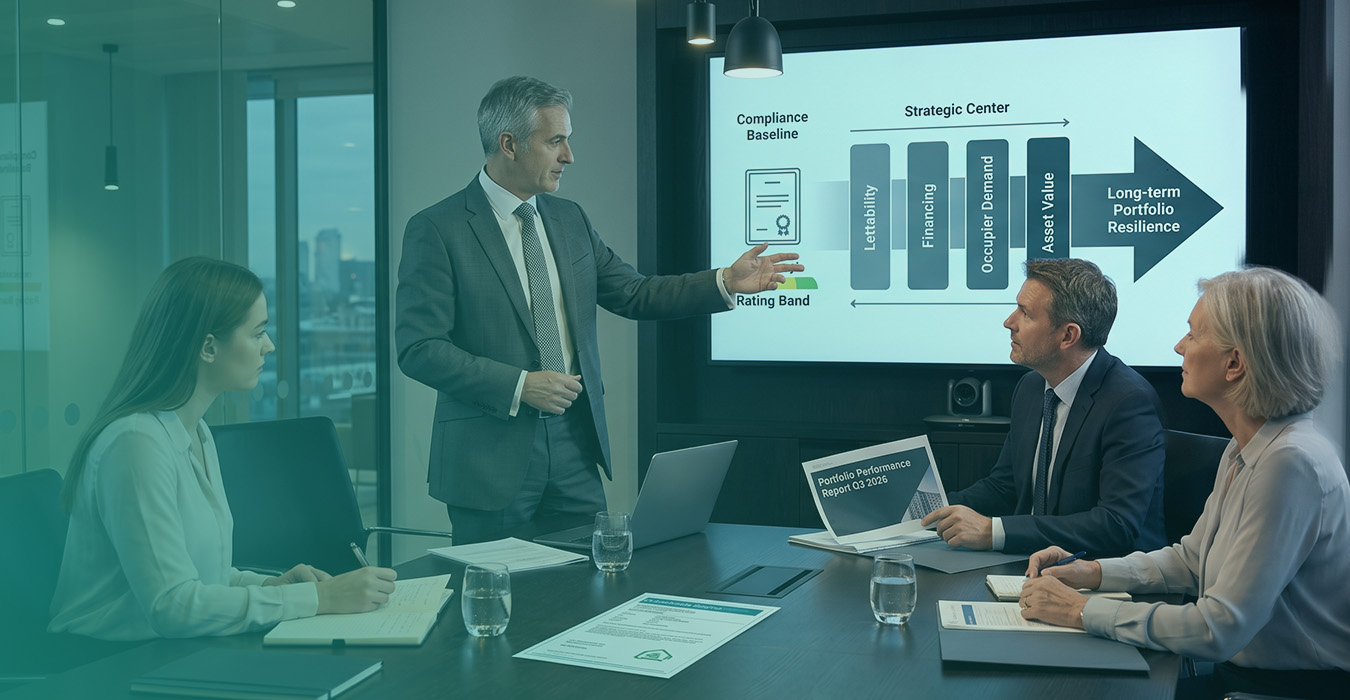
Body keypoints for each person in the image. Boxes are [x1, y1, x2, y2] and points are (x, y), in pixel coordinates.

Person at [396, 75, 802, 544]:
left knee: (590, 578)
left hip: (575, 444)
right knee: (499, 586)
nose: (569, 156)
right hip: (488, 459)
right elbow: (419, 348)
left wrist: (724, 281)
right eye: (555, 141)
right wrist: (520, 385)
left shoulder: (569, 219)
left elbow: (634, 292)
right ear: (509, 144)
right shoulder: (437, 229)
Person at [1019, 267, 1350, 699]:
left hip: (1293, 690)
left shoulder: (1290, 464)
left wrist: (1081, 610)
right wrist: (1091, 573)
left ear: (1235, 363)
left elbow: (1218, 628)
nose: (1179, 346)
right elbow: (1192, 561)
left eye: (1192, 334)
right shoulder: (1249, 446)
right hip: (1251, 679)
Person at [49, 257, 398, 641]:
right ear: (209, 347)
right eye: (258, 332)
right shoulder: (135, 444)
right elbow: (172, 606)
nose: (269, 346)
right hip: (105, 663)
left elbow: (200, 577)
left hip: (169, 649)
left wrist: (270, 586)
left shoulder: (196, 432)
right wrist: (319, 598)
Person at [921, 258, 1166, 556]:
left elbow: (1116, 525)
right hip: (1035, 563)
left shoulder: (1128, 402)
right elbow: (1005, 487)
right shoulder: (1031, 387)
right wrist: (926, 511)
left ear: (1068, 336)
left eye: (1025, 313)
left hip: (1104, 572)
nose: (1009, 322)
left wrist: (992, 532)